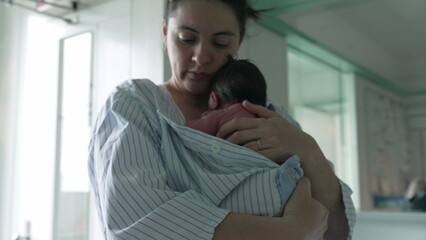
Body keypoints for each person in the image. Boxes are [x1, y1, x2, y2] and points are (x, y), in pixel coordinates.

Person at [88, 0, 356, 239]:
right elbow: (133, 221)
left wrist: (310, 151)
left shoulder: (273, 115)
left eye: (220, 43)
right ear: (165, 33)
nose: (201, 57)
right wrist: (287, 232)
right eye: (186, 38)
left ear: (238, 43)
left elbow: (336, 230)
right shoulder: (135, 105)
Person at [186, 57, 267, 136]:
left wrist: (204, 117)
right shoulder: (266, 121)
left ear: (214, 99)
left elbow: (189, 131)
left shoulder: (220, 116)